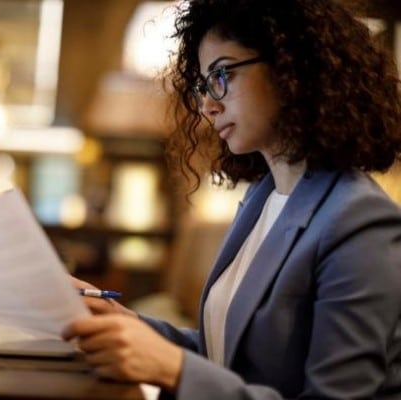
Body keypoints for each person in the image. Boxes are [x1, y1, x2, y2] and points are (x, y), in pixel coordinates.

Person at [62, 0, 401, 399]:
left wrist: (173, 368)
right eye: (204, 84)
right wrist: (128, 324)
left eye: (222, 74)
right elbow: (228, 356)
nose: (208, 105)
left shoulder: (361, 221)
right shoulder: (265, 197)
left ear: (291, 67)